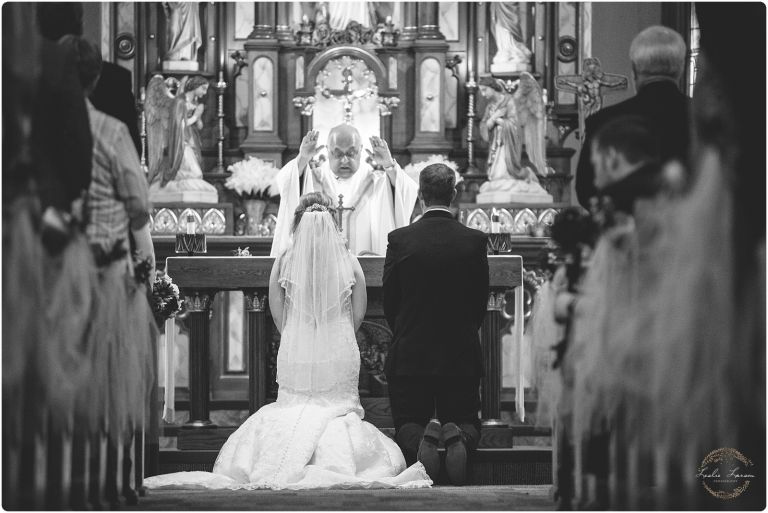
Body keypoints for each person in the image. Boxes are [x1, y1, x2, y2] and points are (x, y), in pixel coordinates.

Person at [145, 192, 431, 490]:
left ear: (298, 223)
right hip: (338, 351)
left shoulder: (284, 261)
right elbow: (356, 316)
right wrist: (335, 337)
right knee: (336, 410)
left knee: (292, 407)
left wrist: (299, 337)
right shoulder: (348, 261)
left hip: (297, 351)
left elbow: (278, 314)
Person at [63, 34, 157, 508]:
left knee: (64, 374)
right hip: (103, 272)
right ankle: (111, 479)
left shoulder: (33, 131)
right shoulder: (109, 131)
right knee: (112, 376)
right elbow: (139, 206)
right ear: (95, 77)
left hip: (51, 266)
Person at [382, 164, 489, 485]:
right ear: (453, 194)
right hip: (460, 353)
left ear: (420, 194)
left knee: (406, 421)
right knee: (468, 418)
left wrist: (407, 331)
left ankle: (420, 442)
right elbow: (479, 300)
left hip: (412, 353)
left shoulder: (400, 240)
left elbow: (391, 301)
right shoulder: (474, 240)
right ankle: (459, 439)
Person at [575, 25, 689, 209]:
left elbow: (586, 191)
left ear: (634, 70)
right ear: (681, 68)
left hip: (628, 231)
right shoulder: (704, 118)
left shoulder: (604, 120)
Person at [271, 124, 418, 257]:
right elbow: (287, 185)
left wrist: (388, 164)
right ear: (327, 151)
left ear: (361, 150)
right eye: (338, 153)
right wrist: (302, 158)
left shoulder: (378, 182)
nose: (345, 160)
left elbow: (406, 191)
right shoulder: (313, 180)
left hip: (366, 270)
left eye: (351, 153)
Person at [476, 76, 552, 202]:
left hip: (508, 142)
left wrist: (498, 120)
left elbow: (515, 124)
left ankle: (526, 175)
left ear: (492, 87)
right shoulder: (490, 107)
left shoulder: (509, 101)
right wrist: (493, 118)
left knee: (506, 172)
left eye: (485, 90)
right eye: (481, 91)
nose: (483, 94)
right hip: (496, 143)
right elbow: (485, 125)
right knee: (496, 175)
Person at [146, 74, 218, 202]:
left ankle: (174, 177)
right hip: (181, 142)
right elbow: (179, 125)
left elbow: (199, 126)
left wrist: (199, 117)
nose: (205, 92)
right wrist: (195, 116)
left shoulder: (194, 103)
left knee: (197, 173)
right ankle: (169, 176)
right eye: (203, 88)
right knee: (197, 174)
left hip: (191, 141)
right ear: (195, 87)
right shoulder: (179, 102)